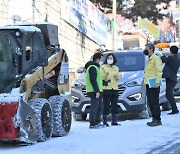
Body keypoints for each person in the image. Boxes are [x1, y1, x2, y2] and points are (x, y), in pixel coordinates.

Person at [144, 43, 163, 127]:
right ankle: (153, 118)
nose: (145, 50)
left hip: (154, 83)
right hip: (148, 83)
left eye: (146, 48)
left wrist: (157, 82)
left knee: (155, 102)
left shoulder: (156, 58)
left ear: (151, 49)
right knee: (150, 102)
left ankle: (157, 119)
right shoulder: (148, 59)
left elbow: (159, 71)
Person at [100, 53, 120, 126]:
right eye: (109, 58)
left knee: (114, 104)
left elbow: (118, 78)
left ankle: (114, 120)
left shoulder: (116, 68)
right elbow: (101, 76)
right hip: (106, 88)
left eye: (111, 58)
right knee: (106, 105)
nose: (110, 60)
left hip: (114, 88)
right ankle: (105, 121)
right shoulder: (103, 67)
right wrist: (106, 74)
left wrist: (117, 76)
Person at [85, 52, 104, 128]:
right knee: (95, 107)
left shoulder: (95, 67)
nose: (101, 61)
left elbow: (98, 79)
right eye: (101, 59)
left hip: (97, 90)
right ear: (98, 59)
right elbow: (93, 80)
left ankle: (97, 121)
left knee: (99, 107)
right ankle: (92, 123)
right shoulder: (92, 67)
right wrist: (96, 91)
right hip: (94, 91)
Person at [161, 45, 180, 115]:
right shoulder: (176, 58)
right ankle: (174, 108)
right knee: (169, 94)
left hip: (171, 78)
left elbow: (163, 59)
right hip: (172, 78)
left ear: (171, 51)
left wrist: (160, 55)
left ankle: (174, 109)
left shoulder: (171, 58)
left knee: (169, 95)